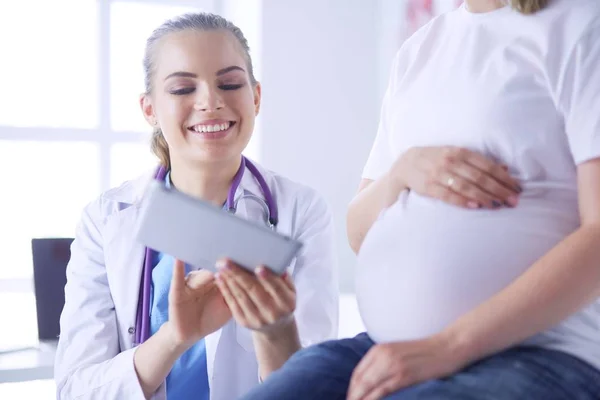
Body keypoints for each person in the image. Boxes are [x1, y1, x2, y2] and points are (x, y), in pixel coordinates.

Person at [238, 0, 600, 399]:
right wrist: (402, 173)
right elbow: (358, 230)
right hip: (385, 348)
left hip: (539, 353)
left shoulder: (581, 24)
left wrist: (449, 345)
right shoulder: (421, 48)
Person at [54, 12, 338, 400]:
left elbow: (316, 390)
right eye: (183, 89)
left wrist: (275, 332)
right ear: (149, 109)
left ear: (255, 96)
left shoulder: (300, 211)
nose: (211, 101)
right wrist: (174, 337)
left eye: (230, 83)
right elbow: (75, 391)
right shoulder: (106, 220)